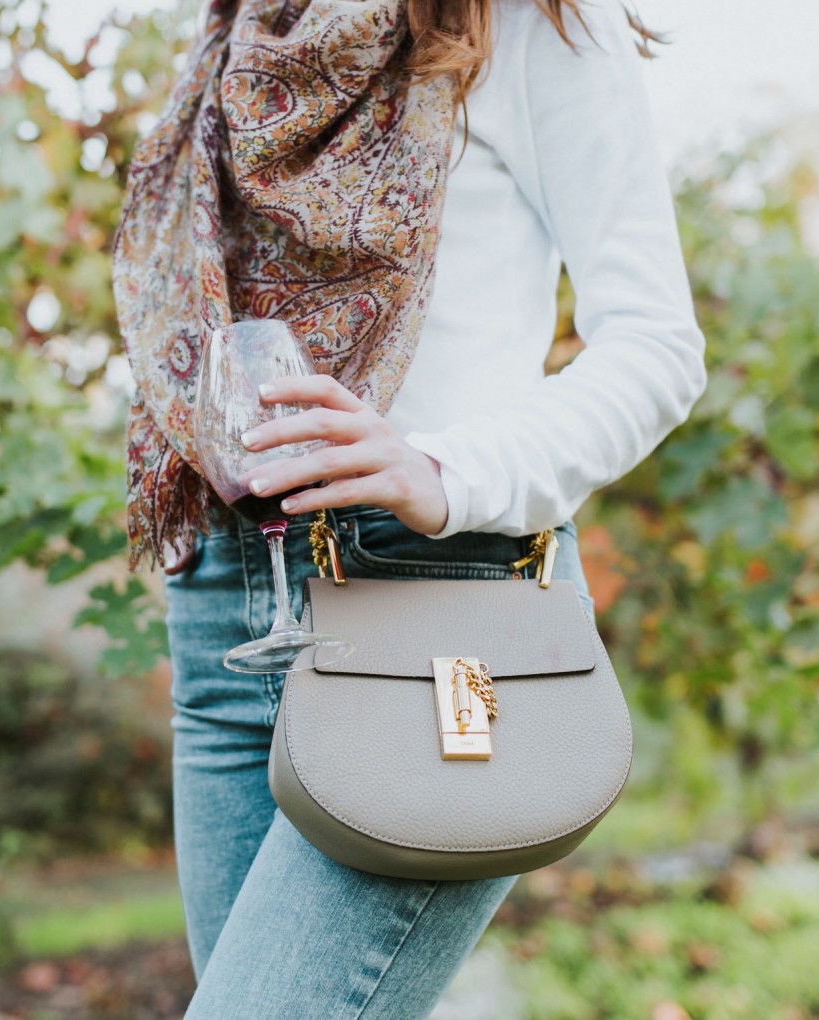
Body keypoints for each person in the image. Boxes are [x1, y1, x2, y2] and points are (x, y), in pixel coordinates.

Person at [112, 0, 708, 1015]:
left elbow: (657, 345)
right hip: (226, 602)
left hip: (434, 598)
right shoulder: (235, 37)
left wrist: (444, 470)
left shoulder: (526, 27)